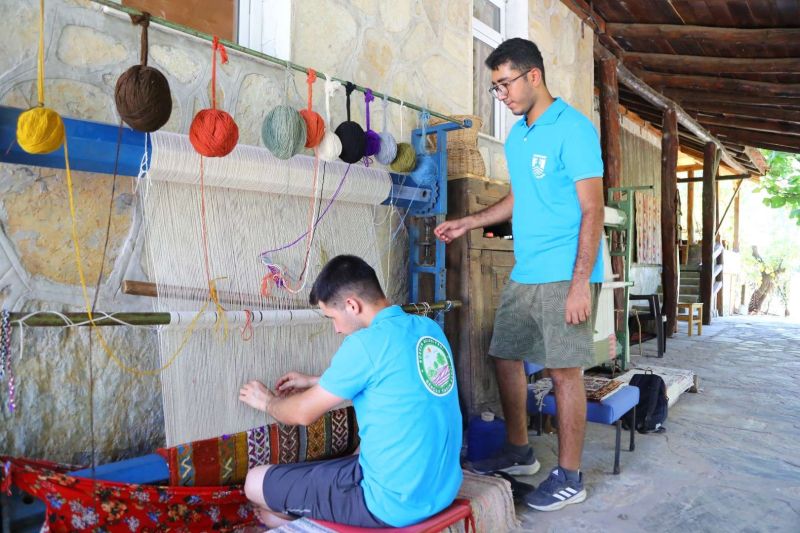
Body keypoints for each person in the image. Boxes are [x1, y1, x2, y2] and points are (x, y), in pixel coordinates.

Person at [434, 37, 605, 512]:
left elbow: (591, 210)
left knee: (564, 373)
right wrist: (469, 222)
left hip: (565, 269)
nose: (501, 94)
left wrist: (578, 285)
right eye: (495, 87)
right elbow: (520, 199)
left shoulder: (574, 129)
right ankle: (520, 449)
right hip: (526, 269)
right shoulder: (518, 136)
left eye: (505, 83)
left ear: (533, 76)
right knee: (505, 354)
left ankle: (570, 476)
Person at [239, 255, 463, 528]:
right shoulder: (428, 330)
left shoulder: (363, 344)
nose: (335, 329)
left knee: (255, 483)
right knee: (353, 456)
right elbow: (394, 381)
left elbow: (301, 414)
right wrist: (317, 382)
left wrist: (267, 401)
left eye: (332, 317)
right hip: (442, 490)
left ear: (351, 305)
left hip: (389, 504)